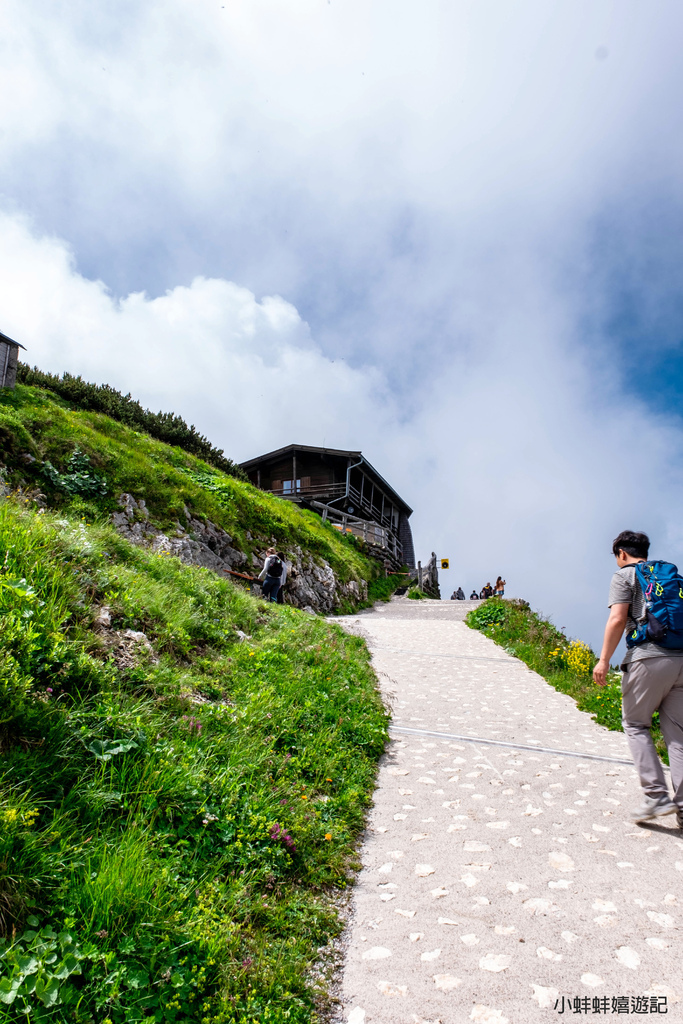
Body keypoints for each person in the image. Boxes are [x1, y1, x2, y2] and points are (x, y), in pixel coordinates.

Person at [593, 530, 683, 824]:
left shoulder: (624, 576)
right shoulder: (668, 577)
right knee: (678, 738)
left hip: (648, 657)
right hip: (680, 659)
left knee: (635, 723)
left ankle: (656, 797)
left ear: (621, 553)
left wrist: (604, 660)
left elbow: (618, 619)